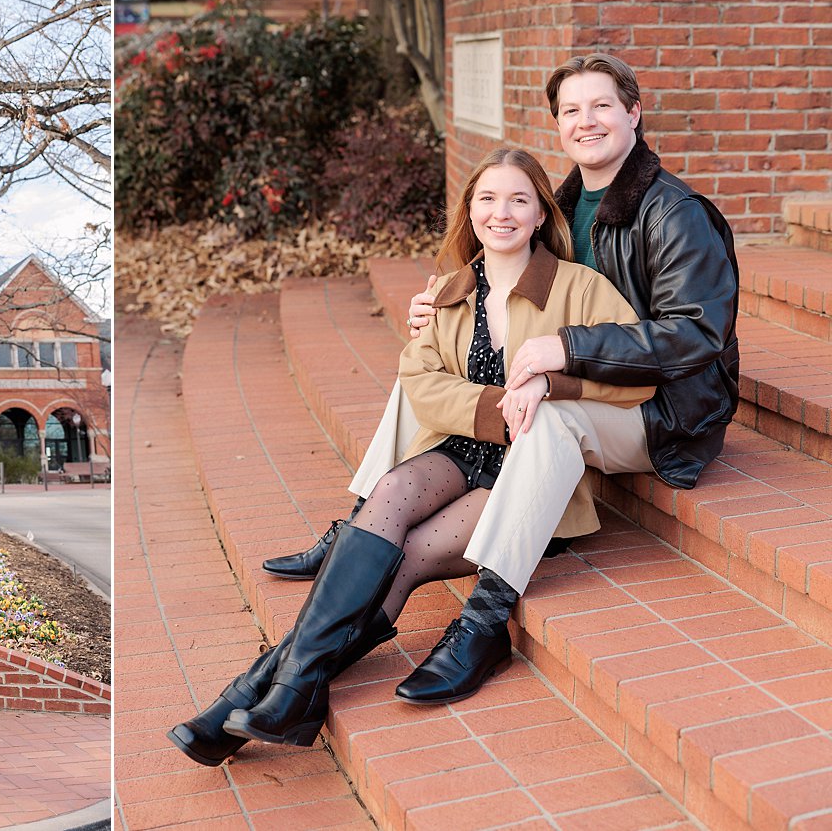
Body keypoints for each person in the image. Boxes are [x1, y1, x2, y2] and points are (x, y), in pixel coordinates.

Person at [262, 51, 739, 705]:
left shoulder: (676, 212)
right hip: (586, 372)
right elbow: (510, 269)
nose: (587, 120)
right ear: (558, 124)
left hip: (664, 408)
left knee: (550, 414)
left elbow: (696, 335)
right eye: (572, 110)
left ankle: (486, 619)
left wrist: (563, 350)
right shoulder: (566, 201)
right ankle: (362, 526)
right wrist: (444, 304)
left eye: (602, 105)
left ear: (634, 111)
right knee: (429, 371)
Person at [170, 149, 654, 765]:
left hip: (523, 479)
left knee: (404, 559)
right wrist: (498, 406)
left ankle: (256, 696)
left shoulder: (578, 288)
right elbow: (419, 378)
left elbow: (636, 374)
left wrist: (552, 384)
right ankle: (291, 693)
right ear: (469, 212)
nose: (500, 213)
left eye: (517, 200)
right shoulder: (450, 292)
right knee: (390, 495)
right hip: (457, 453)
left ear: (539, 215)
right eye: (486, 200)